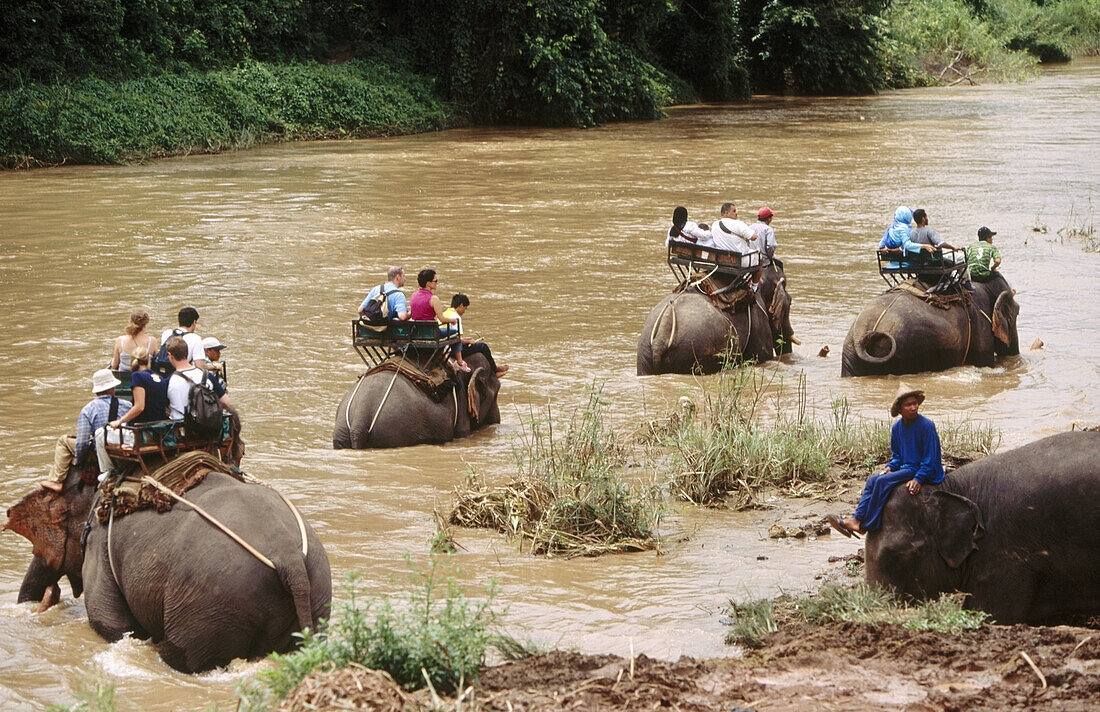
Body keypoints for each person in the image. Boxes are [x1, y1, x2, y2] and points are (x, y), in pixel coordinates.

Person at [827, 384, 944, 537]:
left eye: (915, 403)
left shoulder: (927, 426)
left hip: (923, 469)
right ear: (900, 409)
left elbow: (930, 458)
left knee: (882, 482)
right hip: (907, 467)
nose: (913, 407)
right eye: (908, 404)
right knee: (872, 481)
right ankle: (857, 519)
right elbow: (897, 457)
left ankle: (868, 524)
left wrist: (918, 478)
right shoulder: (897, 428)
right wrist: (889, 468)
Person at [42, 369, 132, 491]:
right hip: (122, 449)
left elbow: (82, 442)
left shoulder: (88, 409)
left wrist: (79, 460)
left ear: (97, 391)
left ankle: (56, 480)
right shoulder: (127, 405)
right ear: (113, 388)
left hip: (100, 451)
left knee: (63, 440)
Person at [410, 269, 469, 372]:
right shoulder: (434, 299)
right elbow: (441, 318)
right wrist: (452, 320)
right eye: (435, 281)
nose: (437, 283)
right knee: (455, 333)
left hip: (417, 332)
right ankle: (460, 362)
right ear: (428, 283)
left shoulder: (413, 296)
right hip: (431, 333)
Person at [165, 336, 230, 421]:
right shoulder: (207, 376)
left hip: (181, 429)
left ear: (170, 355)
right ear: (187, 353)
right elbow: (226, 402)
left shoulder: (169, 381)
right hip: (206, 426)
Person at [445, 294, 509, 378]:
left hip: (444, 348)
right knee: (483, 346)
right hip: (452, 350)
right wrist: (468, 341)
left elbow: (451, 336)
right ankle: (494, 371)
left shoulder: (445, 314)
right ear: (461, 305)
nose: (464, 311)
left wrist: (467, 339)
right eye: (465, 308)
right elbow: (457, 340)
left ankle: (494, 367)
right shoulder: (456, 317)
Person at [109, 347, 170, 429]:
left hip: (144, 425)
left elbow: (139, 407)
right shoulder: (159, 377)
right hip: (160, 424)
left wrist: (119, 421)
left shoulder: (137, 376)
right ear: (149, 360)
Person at [159, 306, 210, 371]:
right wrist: (214, 366)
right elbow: (200, 366)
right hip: (180, 374)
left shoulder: (167, 333)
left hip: (163, 372)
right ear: (194, 322)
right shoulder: (195, 338)